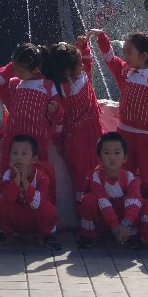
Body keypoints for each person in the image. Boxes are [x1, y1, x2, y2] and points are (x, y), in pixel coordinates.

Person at [90, 29, 148, 188]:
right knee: (124, 170)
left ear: (143, 56)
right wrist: (102, 37)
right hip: (124, 131)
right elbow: (111, 60)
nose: (125, 56)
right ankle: (125, 197)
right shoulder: (127, 72)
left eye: (128, 52)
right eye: (124, 52)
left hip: (146, 135)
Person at [0, 43, 64, 173]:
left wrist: (55, 110)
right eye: (15, 69)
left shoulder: (48, 85)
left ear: (35, 69)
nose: (16, 73)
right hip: (13, 137)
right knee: (9, 169)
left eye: (20, 71)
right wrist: (14, 65)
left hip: (37, 139)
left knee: (39, 171)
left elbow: (60, 115)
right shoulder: (15, 83)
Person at [75, 132, 142, 250]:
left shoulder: (129, 177)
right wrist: (115, 226)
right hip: (104, 220)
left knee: (138, 203)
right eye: (106, 153)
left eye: (117, 153)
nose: (112, 157)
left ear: (125, 158)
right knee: (88, 200)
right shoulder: (96, 176)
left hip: (124, 222)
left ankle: (130, 235)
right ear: (99, 159)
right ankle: (88, 235)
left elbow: (134, 199)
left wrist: (126, 223)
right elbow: (103, 201)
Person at [51, 39, 102, 191]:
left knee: (100, 164)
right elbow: (59, 117)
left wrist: (84, 47)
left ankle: (102, 196)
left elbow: (88, 61)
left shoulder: (82, 75)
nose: (83, 66)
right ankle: (83, 201)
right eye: (79, 64)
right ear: (67, 71)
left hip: (95, 129)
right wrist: (55, 113)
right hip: (76, 137)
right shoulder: (62, 88)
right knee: (81, 172)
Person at [0, 135, 61, 250]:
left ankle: (47, 235)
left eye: (24, 154)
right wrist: (16, 179)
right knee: (1, 204)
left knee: (48, 209)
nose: (18, 158)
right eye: (15, 153)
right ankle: (4, 233)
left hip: (34, 218)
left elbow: (37, 204)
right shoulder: (8, 175)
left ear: (34, 159)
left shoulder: (42, 177)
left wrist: (24, 181)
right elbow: (8, 199)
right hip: (16, 218)